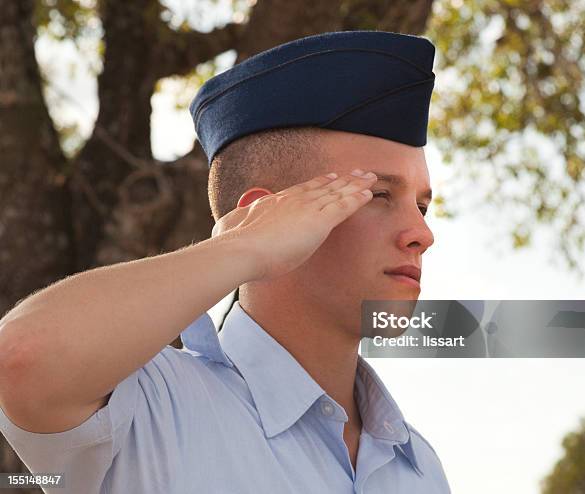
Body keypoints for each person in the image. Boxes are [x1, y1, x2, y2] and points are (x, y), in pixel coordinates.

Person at [0, 31, 451, 493]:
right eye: (377, 194)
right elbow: (22, 355)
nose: (422, 234)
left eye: (421, 206)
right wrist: (244, 247)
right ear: (265, 214)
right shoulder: (148, 408)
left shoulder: (419, 468)